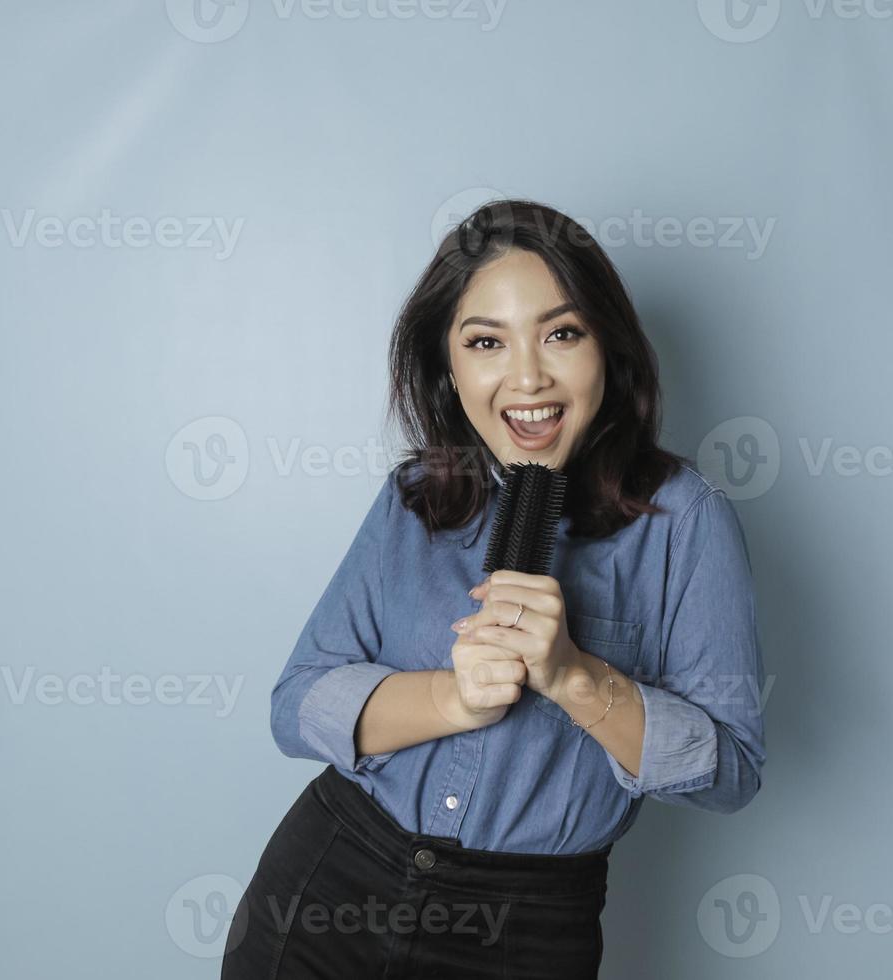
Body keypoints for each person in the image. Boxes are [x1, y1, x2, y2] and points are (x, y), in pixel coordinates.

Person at [221, 199, 767, 979]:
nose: (527, 377)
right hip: (329, 887)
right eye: (486, 342)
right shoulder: (416, 496)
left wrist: (573, 676)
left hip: (527, 932)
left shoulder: (687, 520)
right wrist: (453, 699)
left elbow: (732, 773)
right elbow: (296, 703)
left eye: (561, 333)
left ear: (607, 346)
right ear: (450, 365)